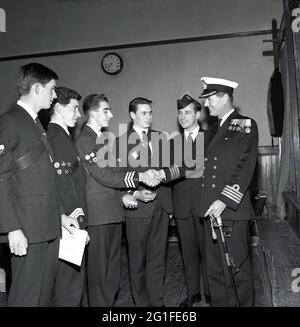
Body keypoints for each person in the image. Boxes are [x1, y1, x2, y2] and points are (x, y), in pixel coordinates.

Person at [75, 93, 159, 307]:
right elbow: (104, 175)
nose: (111, 115)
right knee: (100, 275)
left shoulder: (102, 139)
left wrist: (125, 195)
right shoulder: (85, 140)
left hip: (111, 212)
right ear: (93, 113)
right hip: (98, 215)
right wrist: (140, 177)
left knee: (111, 273)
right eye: (106, 110)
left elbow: (114, 172)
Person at [0, 62, 61, 306]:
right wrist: (13, 227)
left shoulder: (35, 123)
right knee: (26, 296)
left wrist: (61, 215)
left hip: (46, 224)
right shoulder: (10, 122)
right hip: (27, 227)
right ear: (37, 88)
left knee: (44, 295)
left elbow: (44, 178)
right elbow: (1, 176)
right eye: (52, 89)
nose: (55, 96)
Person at [198, 76, 258, 306]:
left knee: (237, 272)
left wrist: (224, 200)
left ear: (225, 98)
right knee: (215, 274)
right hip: (209, 210)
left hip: (230, 210)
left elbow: (244, 168)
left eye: (210, 99)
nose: (206, 105)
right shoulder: (212, 129)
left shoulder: (245, 124)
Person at [118, 97, 174, 307]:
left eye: (150, 113)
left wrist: (163, 174)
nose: (148, 117)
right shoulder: (120, 143)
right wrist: (135, 193)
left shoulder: (161, 138)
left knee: (158, 260)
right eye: (144, 113)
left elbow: (172, 168)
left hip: (161, 206)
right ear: (132, 115)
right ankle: (141, 305)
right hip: (137, 209)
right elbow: (117, 176)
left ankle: (157, 304)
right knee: (137, 262)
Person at [46, 86, 89, 306]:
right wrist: (75, 222)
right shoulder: (56, 138)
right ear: (58, 109)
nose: (78, 114)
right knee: (68, 288)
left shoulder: (61, 135)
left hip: (69, 219)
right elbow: (61, 185)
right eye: (74, 109)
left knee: (70, 285)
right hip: (70, 222)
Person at [172, 94, 209, 307]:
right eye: (180, 113)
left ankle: (212, 292)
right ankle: (192, 293)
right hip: (182, 206)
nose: (183, 117)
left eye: (187, 112)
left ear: (197, 113)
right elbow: (167, 175)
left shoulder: (210, 138)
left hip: (204, 205)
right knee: (188, 253)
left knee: (209, 253)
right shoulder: (172, 143)